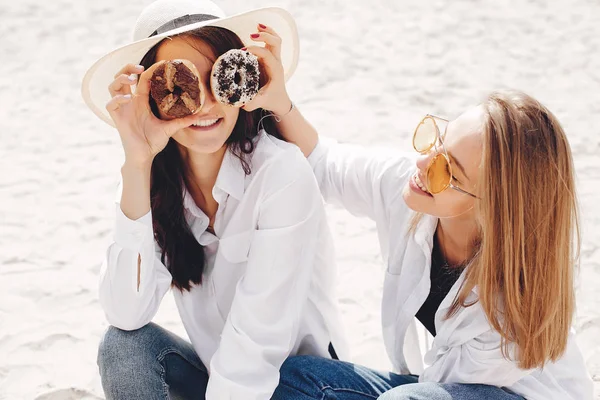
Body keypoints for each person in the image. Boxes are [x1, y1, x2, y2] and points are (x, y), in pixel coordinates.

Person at [80, 0, 347, 398]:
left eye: (219, 77)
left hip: (300, 385)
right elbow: (125, 312)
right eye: (179, 84)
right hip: (218, 380)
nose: (205, 101)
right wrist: (137, 163)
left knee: (283, 374)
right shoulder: (149, 185)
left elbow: (259, 342)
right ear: (150, 95)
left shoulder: (281, 174)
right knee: (122, 346)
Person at [267, 90, 595, 400]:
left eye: (448, 171)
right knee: (298, 379)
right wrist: (279, 100)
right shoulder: (410, 184)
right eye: (439, 141)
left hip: (518, 394)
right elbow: (322, 161)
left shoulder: (505, 310)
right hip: (436, 386)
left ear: (491, 211)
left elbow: (436, 388)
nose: (423, 164)